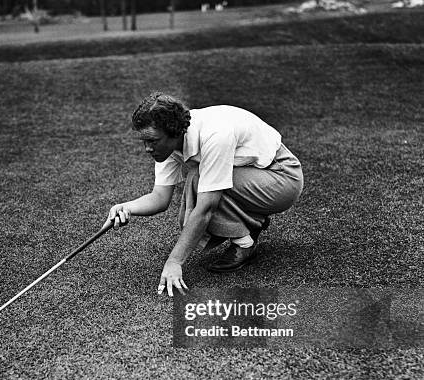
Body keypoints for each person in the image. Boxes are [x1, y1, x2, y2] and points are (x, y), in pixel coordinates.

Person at [105, 92, 304, 296]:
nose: (147, 148)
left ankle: (245, 244)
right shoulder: (169, 144)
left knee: (200, 181)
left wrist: (174, 261)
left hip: (282, 178)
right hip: (253, 177)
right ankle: (251, 220)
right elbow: (160, 198)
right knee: (201, 182)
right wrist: (126, 207)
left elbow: (206, 209)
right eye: (144, 141)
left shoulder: (215, 135)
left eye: (152, 140)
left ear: (173, 132)